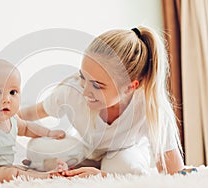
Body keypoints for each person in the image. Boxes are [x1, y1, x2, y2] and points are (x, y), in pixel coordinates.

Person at [18, 26, 186, 178]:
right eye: (83, 77)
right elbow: (30, 113)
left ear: (130, 87)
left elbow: (174, 173)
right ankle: (87, 166)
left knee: (126, 168)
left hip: (125, 152)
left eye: (97, 86)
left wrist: (102, 176)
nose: (84, 91)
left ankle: (102, 169)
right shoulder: (72, 91)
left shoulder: (150, 107)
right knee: (37, 149)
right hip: (86, 149)